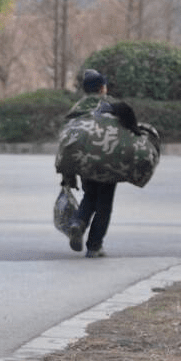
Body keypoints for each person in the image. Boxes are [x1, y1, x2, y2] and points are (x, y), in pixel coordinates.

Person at [61, 69, 115, 258]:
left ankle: (78, 222)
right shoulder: (111, 105)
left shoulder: (78, 108)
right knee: (104, 204)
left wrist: (67, 174)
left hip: (83, 162)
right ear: (102, 88)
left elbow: (67, 140)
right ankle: (94, 246)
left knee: (90, 196)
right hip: (108, 162)